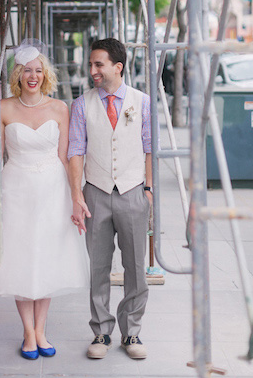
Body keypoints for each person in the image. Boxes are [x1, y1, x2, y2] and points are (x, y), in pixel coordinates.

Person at [0, 42, 89, 360]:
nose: (32, 76)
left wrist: (76, 196)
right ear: (18, 75)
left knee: (47, 258)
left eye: (37, 70)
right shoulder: (4, 108)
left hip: (53, 190)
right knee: (20, 259)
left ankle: (41, 330)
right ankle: (27, 332)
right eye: (26, 71)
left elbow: (66, 158)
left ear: (44, 74)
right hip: (16, 189)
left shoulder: (60, 108)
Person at [68, 37, 154, 360]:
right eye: (91, 64)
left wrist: (148, 190)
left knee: (135, 267)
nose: (92, 71)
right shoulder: (81, 104)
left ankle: (131, 332)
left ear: (118, 67)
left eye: (98, 64)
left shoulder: (142, 102)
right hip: (96, 192)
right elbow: (75, 151)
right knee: (99, 267)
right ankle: (101, 332)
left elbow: (149, 149)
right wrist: (77, 193)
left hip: (133, 191)